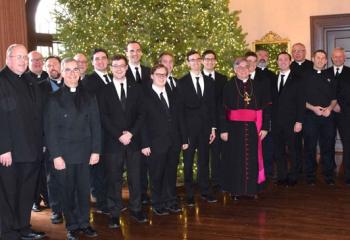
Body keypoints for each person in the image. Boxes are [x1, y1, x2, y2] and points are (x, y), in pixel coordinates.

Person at [45, 58, 101, 240]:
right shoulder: (54, 98)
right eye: (67, 70)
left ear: (79, 72)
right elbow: (50, 129)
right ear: (61, 72)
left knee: (83, 191)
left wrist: (95, 150)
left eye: (75, 69)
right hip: (64, 154)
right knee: (67, 192)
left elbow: (95, 125)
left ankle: (85, 223)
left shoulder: (89, 96)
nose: (72, 73)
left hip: (85, 153)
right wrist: (56, 155)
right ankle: (72, 225)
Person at [0, 44, 46, 240]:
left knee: (27, 192)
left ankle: (23, 227)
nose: (22, 61)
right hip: (10, 151)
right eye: (18, 57)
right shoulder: (1, 81)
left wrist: (42, 142)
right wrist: (3, 148)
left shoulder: (29, 80)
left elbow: (38, 114)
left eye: (24, 57)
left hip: (32, 149)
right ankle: (8, 231)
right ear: (8, 58)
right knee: (9, 193)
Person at [98, 54, 147, 227]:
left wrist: (130, 134)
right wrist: (119, 135)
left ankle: (136, 209)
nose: (119, 69)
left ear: (127, 68)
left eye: (122, 66)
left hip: (133, 141)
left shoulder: (137, 89)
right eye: (115, 66)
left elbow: (142, 114)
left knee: (136, 178)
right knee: (114, 179)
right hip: (113, 141)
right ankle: (114, 213)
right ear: (111, 68)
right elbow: (103, 117)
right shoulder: (104, 91)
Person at [141, 64, 188, 215]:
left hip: (173, 141)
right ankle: (157, 203)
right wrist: (145, 143)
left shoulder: (174, 93)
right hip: (155, 143)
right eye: (158, 74)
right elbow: (141, 122)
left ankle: (171, 201)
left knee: (171, 173)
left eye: (164, 75)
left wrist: (184, 139)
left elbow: (180, 117)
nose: (162, 77)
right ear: (152, 76)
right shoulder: (144, 96)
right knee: (156, 174)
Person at [220, 57, 269, 200]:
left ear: (250, 68)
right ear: (235, 70)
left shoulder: (257, 86)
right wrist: (223, 130)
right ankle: (236, 190)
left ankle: (252, 189)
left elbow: (264, 108)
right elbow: (222, 110)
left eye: (245, 67)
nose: (243, 70)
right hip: (234, 129)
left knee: (253, 157)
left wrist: (265, 127)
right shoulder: (229, 86)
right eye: (240, 67)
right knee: (236, 159)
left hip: (254, 128)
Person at [178, 50, 217, 206]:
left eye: (197, 59)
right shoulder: (182, 82)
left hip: (206, 129)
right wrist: (183, 133)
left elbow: (212, 106)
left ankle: (205, 191)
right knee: (188, 162)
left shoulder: (210, 82)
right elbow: (179, 111)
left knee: (203, 161)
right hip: (188, 130)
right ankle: (189, 194)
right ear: (188, 63)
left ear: (201, 61)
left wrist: (213, 128)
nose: (195, 62)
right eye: (192, 60)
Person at [83, 48, 110, 213]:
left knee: (109, 169)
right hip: (98, 132)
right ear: (92, 62)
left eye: (103, 58)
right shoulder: (88, 81)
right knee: (98, 171)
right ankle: (101, 203)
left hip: (112, 133)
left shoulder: (113, 78)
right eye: (97, 59)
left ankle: (108, 199)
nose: (100, 61)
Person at [304, 50, 337, 185]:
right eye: (318, 57)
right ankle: (310, 176)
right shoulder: (304, 77)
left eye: (323, 58)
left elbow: (334, 99)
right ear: (313, 59)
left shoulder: (331, 77)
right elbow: (301, 100)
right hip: (310, 116)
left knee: (328, 146)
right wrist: (313, 108)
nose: (320, 60)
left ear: (325, 61)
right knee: (310, 147)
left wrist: (329, 109)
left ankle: (329, 175)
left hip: (328, 117)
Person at [272, 52, 305, 186]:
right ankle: (282, 175)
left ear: (290, 61)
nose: (283, 61)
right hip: (276, 122)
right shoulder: (273, 79)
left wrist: (299, 121)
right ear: (277, 62)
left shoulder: (298, 79)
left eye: (286, 59)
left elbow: (301, 102)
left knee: (293, 150)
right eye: (280, 60)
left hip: (292, 122)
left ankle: (293, 176)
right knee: (278, 150)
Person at [124, 41, 151, 203]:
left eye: (138, 50)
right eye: (131, 51)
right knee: (134, 164)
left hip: (147, 122)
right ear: (127, 53)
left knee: (146, 161)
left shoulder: (149, 71)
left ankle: (144, 193)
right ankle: (135, 195)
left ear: (141, 53)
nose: (135, 53)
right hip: (130, 125)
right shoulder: (121, 71)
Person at [39, 55, 64, 224]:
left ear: (61, 66)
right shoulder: (39, 87)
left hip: (72, 139)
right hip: (50, 139)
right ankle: (56, 210)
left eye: (55, 64)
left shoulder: (72, 83)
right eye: (48, 65)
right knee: (52, 178)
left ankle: (72, 207)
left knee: (72, 177)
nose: (52, 67)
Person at [25, 51, 50, 213]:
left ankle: (49, 197)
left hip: (49, 130)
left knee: (48, 169)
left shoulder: (50, 78)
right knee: (34, 170)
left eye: (39, 60)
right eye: (33, 60)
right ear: (28, 62)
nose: (36, 63)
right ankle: (35, 200)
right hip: (32, 133)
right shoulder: (24, 79)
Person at [201, 49, 227, 191]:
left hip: (217, 123)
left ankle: (217, 181)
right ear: (203, 61)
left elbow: (224, 104)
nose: (210, 61)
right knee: (203, 156)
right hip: (201, 125)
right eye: (207, 59)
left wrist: (222, 126)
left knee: (217, 154)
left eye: (212, 59)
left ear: (216, 62)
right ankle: (204, 184)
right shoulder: (197, 78)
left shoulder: (223, 79)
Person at [246, 51, 274, 179]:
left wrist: (265, 126)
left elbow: (267, 104)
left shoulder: (264, 79)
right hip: (244, 122)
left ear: (257, 62)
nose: (251, 63)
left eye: (253, 61)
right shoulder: (238, 78)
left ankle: (264, 175)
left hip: (260, 120)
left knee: (264, 150)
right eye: (248, 61)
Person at [328, 47, 350, 185]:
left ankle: (348, 174)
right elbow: (321, 92)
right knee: (328, 144)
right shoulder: (325, 73)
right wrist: (331, 105)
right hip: (328, 114)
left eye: (340, 56)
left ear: (344, 58)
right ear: (331, 58)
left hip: (346, 114)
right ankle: (329, 173)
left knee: (348, 144)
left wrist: (342, 106)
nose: (337, 59)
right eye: (335, 57)